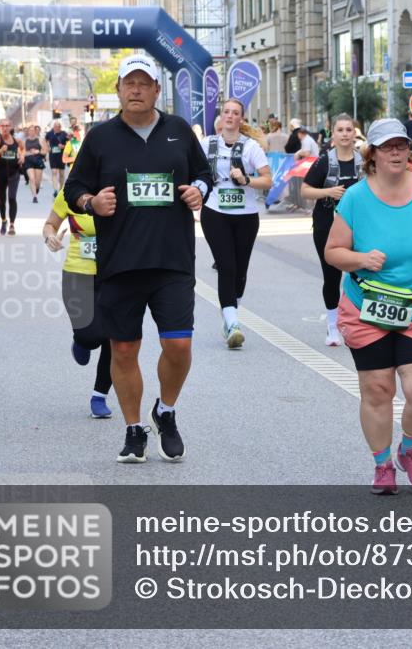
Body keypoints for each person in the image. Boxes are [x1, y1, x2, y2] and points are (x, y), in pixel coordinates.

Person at [63, 54, 213, 463]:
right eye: (129, 83)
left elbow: (205, 174)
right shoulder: (100, 138)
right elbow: (74, 187)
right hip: (120, 262)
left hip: (172, 260)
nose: (136, 90)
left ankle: (166, 410)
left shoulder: (179, 131)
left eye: (144, 83)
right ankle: (134, 430)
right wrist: (91, 202)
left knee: (178, 344)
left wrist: (198, 190)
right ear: (118, 89)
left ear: (156, 90)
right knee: (125, 350)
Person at [325, 118, 412, 494]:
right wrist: (361, 259)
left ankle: (410, 449)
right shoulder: (356, 198)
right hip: (368, 307)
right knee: (377, 389)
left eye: (402, 145)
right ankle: (383, 464)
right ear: (373, 154)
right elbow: (333, 251)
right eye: (388, 147)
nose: (397, 152)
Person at [200, 98, 273, 348]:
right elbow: (192, 169)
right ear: (221, 117)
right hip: (215, 211)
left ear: (241, 119)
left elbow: (267, 180)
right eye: (226, 112)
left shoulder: (251, 147)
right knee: (226, 266)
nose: (230, 116)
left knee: (240, 271)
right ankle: (232, 324)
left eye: (235, 113)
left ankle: (230, 314)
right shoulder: (207, 144)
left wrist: (246, 180)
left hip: (246, 215)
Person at [42, 190, 114, 418]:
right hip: (77, 273)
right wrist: (50, 237)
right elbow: (50, 224)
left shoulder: (117, 189)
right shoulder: (70, 191)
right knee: (91, 337)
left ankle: (99, 396)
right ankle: (81, 341)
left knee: (116, 337)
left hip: (114, 273)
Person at [302, 113, 364, 346]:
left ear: (354, 133)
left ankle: (359, 322)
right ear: (333, 134)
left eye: (349, 130)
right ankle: (332, 326)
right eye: (340, 130)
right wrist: (328, 192)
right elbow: (305, 190)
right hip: (327, 225)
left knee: (361, 273)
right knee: (331, 276)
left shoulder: (363, 161)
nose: (345, 134)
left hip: (359, 226)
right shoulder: (324, 161)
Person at [0, 117, 24, 236]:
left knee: (12, 198)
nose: (5, 128)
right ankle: (4, 220)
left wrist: (22, 157)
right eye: (2, 126)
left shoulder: (17, 141)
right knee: (2, 199)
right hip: (0, 173)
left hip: (14, 172)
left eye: (7, 126)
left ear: (11, 127)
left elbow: (23, 149)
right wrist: (0, 151)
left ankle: (12, 224)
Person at [23, 124, 47, 204]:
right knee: (32, 178)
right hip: (28, 161)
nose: (31, 132)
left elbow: (45, 151)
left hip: (38, 160)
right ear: (28, 131)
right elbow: (22, 153)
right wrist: (29, 152)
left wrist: (38, 151)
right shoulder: (25, 141)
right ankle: (34, 196)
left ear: (36, 131)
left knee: (37, 182)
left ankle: (36, 188)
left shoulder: (40, 140)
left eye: (33, 130)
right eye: (30, 130)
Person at [46, 120, 70, 199]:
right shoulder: (49, 133)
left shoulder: (64, 134)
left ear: (60, 127)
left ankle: (60, 190)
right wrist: (48, 147)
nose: (56, 128)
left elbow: (69, 143)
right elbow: (46, 141)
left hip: (61, 155)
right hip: (52, 155)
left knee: (61, 173)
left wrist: (63, 146)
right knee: (54, 172)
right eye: (55, 126)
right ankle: (55, 190)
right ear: (53, 127)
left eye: (58, 126)